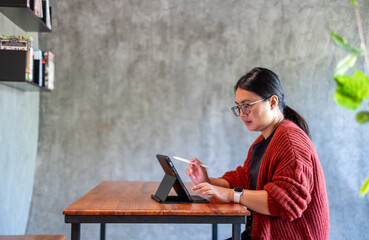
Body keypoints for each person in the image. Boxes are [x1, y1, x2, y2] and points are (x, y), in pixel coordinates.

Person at [186, 67, 330, 240]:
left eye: (247, 106)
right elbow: (246, 179)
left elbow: (286, 203)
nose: (241, 114)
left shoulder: (290, 141)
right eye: (238, 107)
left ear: (272, 102)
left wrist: (230, 194)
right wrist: (208, 181)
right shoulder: (264, 140)